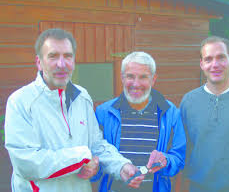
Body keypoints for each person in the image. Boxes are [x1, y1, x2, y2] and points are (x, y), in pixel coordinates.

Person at [4, 28, 141, 192]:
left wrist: (120, 166)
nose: (61, 64)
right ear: (39, 62)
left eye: (67, 56)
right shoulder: (20, 101)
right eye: (53, 56)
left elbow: (95, 145)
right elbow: (26, 163)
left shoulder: (82, 97)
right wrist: (82, 158)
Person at [94, 52, 186, 191]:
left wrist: (166, 160)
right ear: (122, 78)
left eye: (143, 77)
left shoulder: (170, 113)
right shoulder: (103, 113)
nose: (136, 84)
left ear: (153, 79)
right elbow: (97, 156)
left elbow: (179, 157)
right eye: (130, 76)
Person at [180, 36, 229, 192]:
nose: (215, 65)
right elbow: (184, 151)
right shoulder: (189, 101)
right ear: (202, 64)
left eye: (221, 57)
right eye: (208, 59)